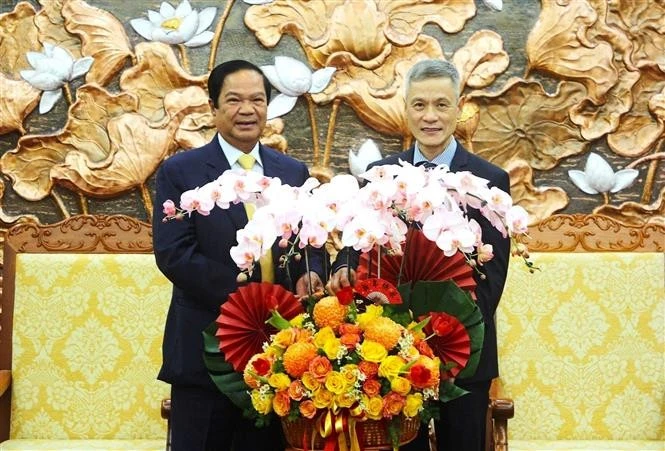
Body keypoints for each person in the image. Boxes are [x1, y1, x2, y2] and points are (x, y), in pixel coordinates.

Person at [330, 59, 511, 451]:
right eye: (419, 105)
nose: (430, 116)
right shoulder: (380, 174)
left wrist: (446, 338)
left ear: (459, 107)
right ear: (406, 108)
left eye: (441, 104)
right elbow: (354, 247)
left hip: (463, 352)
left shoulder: (487, 181)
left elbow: (490, 278)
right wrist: (344, 266)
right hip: (388, 353)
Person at [152, 59, 324, 451]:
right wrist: (248, 300)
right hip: (204, 347)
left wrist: (310, 272)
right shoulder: (181, 172)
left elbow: (309, 243)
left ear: (268, 107)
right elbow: (174, 254)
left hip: (279, 352)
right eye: (234, 100)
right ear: (213, 108)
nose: (247, 110)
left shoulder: (291, 172)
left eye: (257, 100)